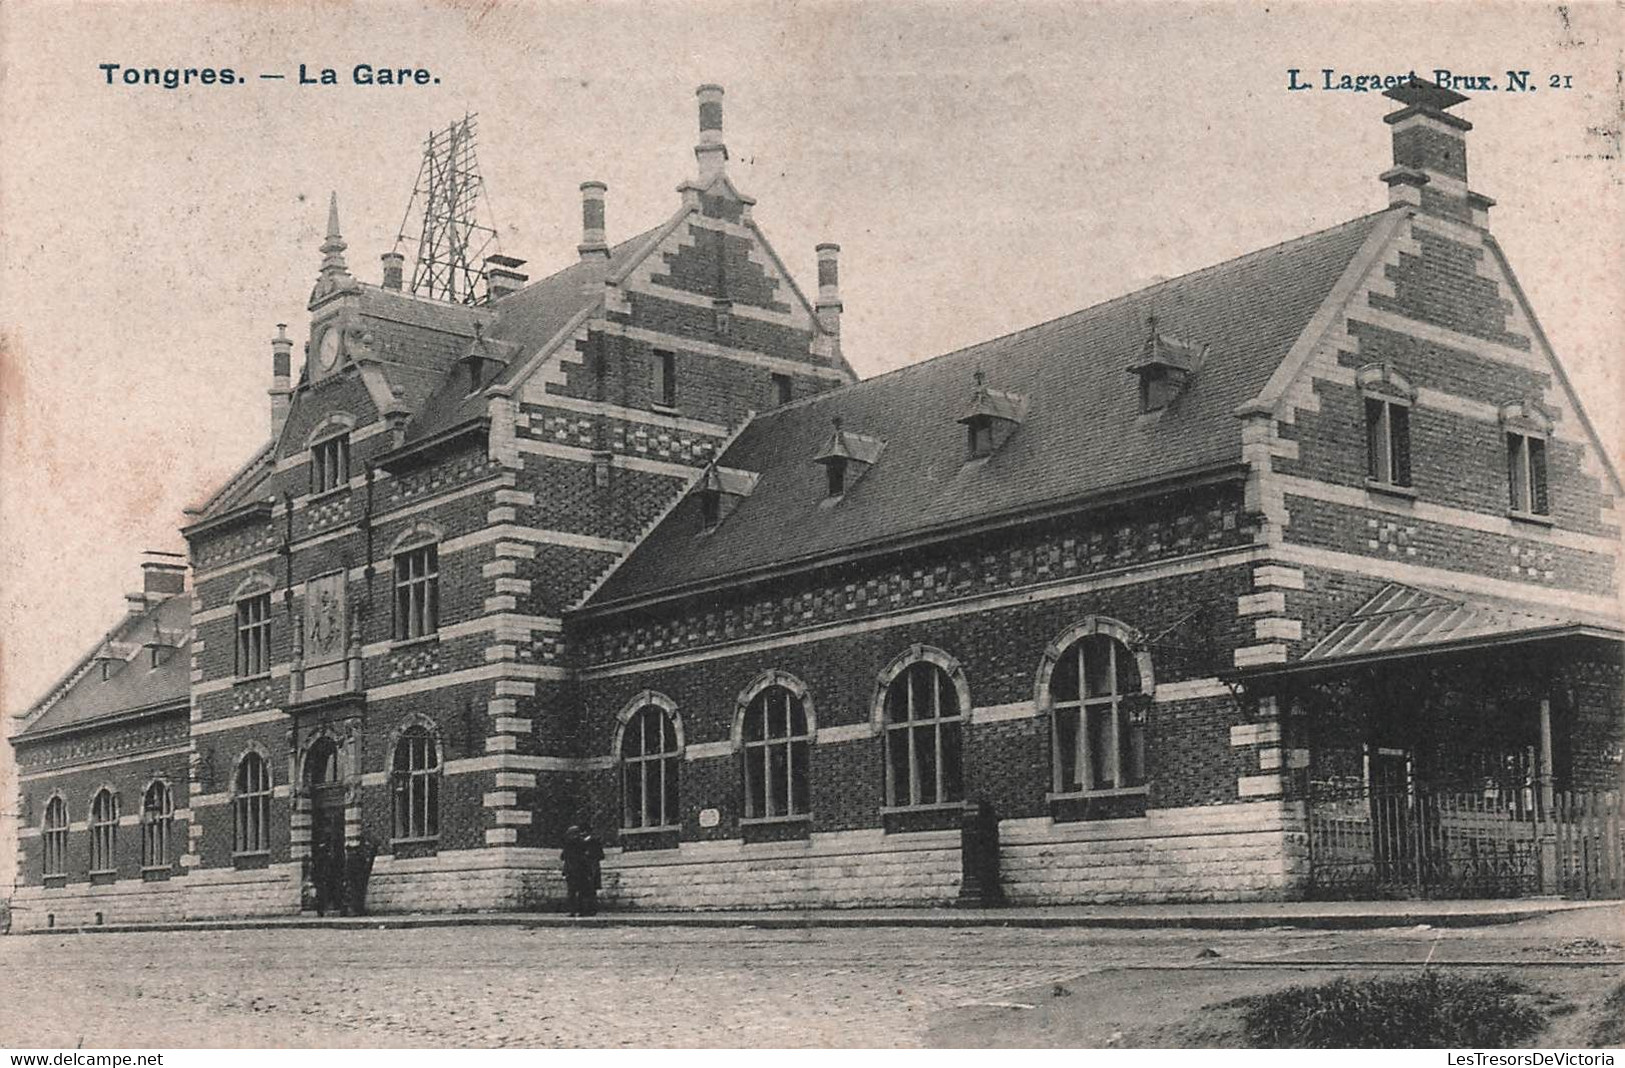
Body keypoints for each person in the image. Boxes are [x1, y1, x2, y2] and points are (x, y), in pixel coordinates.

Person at [561, 824, 590, 917]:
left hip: (571, 871)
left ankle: (572, 911)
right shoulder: (583, 843)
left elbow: (562, 857)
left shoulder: (568, 844)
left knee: (571, 892)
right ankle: (582, 911)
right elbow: (586, 857)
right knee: (582, 892)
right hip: (581, 871)